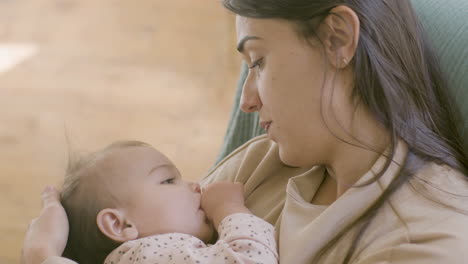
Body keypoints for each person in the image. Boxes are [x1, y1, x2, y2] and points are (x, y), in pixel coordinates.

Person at [22, 0, 468, 263]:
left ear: (337, 39)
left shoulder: (424, 240)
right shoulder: (261, 162)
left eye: (258, 62)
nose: (247, 101)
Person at [38, 140, 278, 264]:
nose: (195, 185)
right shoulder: (149, 255)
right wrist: (229, 209)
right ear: (120, 225)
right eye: (168, 180)